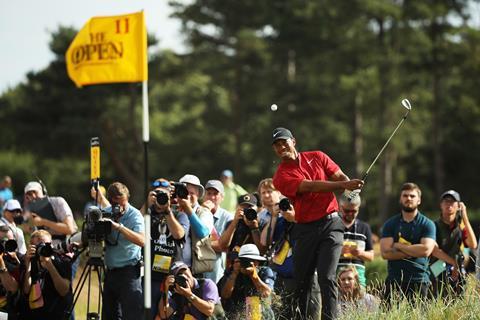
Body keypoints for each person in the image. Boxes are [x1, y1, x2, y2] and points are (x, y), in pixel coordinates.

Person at [271, 127, 364, 320]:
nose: (281, 147)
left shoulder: (318, 156)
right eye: (277, 145)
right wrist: (343, 186)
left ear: (293, 141)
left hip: (331, 224)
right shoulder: (280, 176)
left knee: (326, 276)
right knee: (302, 282)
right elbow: (310, 186)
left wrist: (350, 189)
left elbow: (340, 176)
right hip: (304, 229)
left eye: (284, 142)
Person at [380, 182, 436, 302]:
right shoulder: (390, 224)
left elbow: (426, 250)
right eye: (405, 196)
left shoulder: (427, 224)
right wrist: (414, 252)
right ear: (400, 199)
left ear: (419, 200)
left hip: (419, 280)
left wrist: (398, 246)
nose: (408, 198)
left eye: (412, 196)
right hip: (394, 280)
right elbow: (385, 253)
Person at [146, 178, 190, 318]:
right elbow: (137, 227)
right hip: (150, 276)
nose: (161, 198)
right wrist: (146, 204)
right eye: (158, 195)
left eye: (163, 195)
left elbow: (179, 235)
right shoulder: (147, 213)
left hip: (171, 275)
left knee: (169, 315)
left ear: (170, 196)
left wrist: (167, 211)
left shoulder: (179, 214)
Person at [102, 182, 145, 320]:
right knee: (110, 315)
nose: (120, 208)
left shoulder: (135, 215)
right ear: (111, 200)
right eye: (117, 204)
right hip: (110, 272)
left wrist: (119, 227)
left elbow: (142, 241)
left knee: (132, 315)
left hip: (129, 272)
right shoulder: (106, 212)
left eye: (123, 203)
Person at [430, 190, 477, 297]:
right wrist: (453, 263)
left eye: (453, 201)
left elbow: (473, 244)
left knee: (460, 293)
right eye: (446, 201)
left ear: (459, 205)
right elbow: (434, 251)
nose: (449, 204)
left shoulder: (461, 226)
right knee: (437, 291)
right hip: (437, 265)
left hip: (457, 267)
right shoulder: (433, 226)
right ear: (440, 205)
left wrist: (464, 216)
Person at [22, 229, 73, 320]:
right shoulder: (27, 261)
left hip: (55, 315)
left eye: (46, 245)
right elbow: (26, 290)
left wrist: (49, 265)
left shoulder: (62, 262)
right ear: (31, 247)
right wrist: (28, 264)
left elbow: (64, 291)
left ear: (52, 245)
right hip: (31, 315)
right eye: (38, 246)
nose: (43, 248)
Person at [218, 243, 275, 320]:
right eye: (244, 260)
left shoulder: (264, 271)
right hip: (236, 314)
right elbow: (225, 295)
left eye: (251, 260)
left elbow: (266, 293)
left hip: (261, 314)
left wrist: (254, 276)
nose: (247, 263)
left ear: (257, 262)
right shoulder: (232, 272)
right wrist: (234, 273)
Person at [177, 174, 214, 273]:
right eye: (185, 193)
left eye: (191, 193)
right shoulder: (172, 210)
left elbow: (203, 233)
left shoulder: (204, 212)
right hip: (171, 267)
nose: (188, 196)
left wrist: (187, 209)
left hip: (194, 270)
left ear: (198, 194)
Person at [23, 181, 78, 247]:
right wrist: (30, 228)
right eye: (29, 194)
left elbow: (70, 229)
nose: (33, 196)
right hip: (46, 249)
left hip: (67, 246)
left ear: (42, 190)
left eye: (35, 192)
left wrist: (43, 222)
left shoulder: (57, 202)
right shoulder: (31, 209)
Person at [337, 194, 374, 288]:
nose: (350, 214)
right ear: (340, 207)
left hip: (358, 273)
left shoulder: (364, 227)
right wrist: (338, 251)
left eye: (354, 211)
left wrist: (360, 253)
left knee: (359, 301)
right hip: (336, 273)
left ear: (358, 208)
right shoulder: (333, 226)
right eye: (347, 211)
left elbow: (371, 256)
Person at [219, 194, 264, 267]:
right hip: (234, 266)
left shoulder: (261, 224)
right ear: (237, 207)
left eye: (250, 207)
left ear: (257, 208)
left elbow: (262, 251)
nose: (247, 210)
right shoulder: (232, 223)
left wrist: (254, 228)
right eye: (244, 207)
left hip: (253, 267)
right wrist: (234, 222)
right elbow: (222, 246)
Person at [202, 179, 233, 283]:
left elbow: (222, 246)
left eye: (215, 194)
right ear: (204, 195)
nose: (211, 197)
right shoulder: (196, 213)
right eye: (209, 193)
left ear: (222, 197)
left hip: (216, 272)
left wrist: (201, 243)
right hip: (196, 270)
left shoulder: (228, 217)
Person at [0, 225, 23, 320]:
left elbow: (12, 288)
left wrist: (1, 263)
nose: (4, 246)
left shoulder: (19, 260)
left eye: (8, 242)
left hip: (10, 311)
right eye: (1, 242)